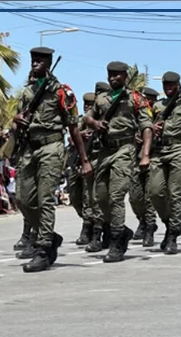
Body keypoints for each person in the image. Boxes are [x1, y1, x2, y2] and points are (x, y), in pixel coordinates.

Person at [9, 46, 91, 272]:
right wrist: (16, 119)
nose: (35, 64)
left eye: (40, 61)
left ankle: (43, 248)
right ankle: (50, 235)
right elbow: (17, 122)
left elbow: (73, 128)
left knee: (45, 198)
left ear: (49, 63)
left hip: (52, 146)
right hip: (28, 148)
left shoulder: (61, 92)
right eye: (33, 60)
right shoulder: (26, 92)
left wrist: (83, 159)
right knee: (23, 199)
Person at [84, 61, 153, 262]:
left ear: (125, 75)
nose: (113, 78)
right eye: (110, 74)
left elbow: (146, 126)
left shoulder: (135, 98)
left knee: (116, 195)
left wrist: (145, 154)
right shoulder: (102, 99)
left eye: (117, 75)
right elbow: (88, 117)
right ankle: (121, 230)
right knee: (100, 196)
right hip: (105, 150)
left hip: (125, 149)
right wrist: (96, 123)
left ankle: (116, 241)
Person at [148, 71, 181, 254]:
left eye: (172, 85)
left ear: (178, 85)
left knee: (175, 194)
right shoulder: (156, 106)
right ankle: (171, 222)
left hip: (180, 149)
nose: (168, 88)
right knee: (155, 191)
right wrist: (153, 128)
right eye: (165, 85)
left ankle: (172, 236)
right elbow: (146, 128)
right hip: (159, 151)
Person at [68, 91, 100, 246]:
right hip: (77, 161)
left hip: (94, 160)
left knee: (90, 197)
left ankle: (90, 228)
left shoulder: (100, 121)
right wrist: (80, 135)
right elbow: (71, 135)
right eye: (85, 104)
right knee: (74, 195)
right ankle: (88, 220)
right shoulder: (81, 121)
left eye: (90, 105)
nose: (87, 107)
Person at [131, 87, 161, 248]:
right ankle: (142, 221)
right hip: (135, 158)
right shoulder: (136, 115)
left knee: (149, 197)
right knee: (135, 197)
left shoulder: (161, 114)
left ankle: (149, 228)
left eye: (148, 99)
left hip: (154, 158)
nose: (145, 102)